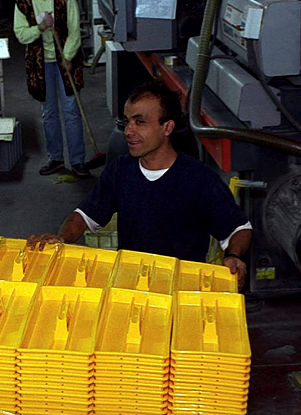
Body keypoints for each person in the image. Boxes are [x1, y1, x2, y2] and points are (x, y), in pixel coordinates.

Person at [30, 80, 253, 288]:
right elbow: (83, 216)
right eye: (127, 122)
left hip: (181, 289)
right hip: (130, 285)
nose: (128, 131)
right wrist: (62, 237)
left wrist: (234, 257)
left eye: (140, 122)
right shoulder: (120, 171)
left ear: (167, 128)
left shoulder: (199, 179)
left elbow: (239, 229)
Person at [14, 0, 89, 178]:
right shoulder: (23, 2)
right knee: (49, 113)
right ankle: (55, 158)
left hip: (65, 60)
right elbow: (21, 35)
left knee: (71, 111)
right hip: (39, 64)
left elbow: (75, 30)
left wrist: (67, 56)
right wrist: (41, 27)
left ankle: (77, 160)